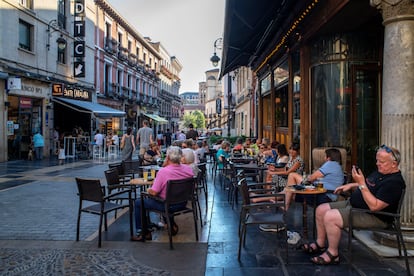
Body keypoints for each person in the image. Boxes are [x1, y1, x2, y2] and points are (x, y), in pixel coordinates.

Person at [306, 145, 405, 265]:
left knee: (330, 217)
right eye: (377, 160)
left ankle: (333, 254)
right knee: (321, 209)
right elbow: (369, 185)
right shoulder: (381, 172)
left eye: (382, 161)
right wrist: (352, 185)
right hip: (355, 205)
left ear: (394, 164)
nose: (378, 163)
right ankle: (320, 243)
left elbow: (375, 207)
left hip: (374, 215)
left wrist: (361, 184)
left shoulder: (394, 183)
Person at [131, 146, 194, 242]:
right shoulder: (188, 169)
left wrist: (148, 190)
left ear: (168, 157)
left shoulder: (163, 172)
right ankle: (170, 224)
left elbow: (154, 192)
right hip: (182, 203)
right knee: (165, 198)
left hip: (167, 205)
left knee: (139, 202)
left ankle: (143, 232)